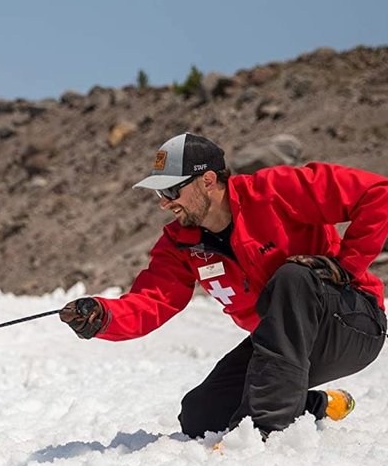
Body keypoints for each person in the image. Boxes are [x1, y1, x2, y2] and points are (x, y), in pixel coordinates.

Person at [60, 132, 388, 438]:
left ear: (208, 181)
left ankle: (266, 431)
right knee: (200, 415)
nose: (164, 203)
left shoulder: (273, 190)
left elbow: (378, 193)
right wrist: (103, 317)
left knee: (293, 276)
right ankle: (317, 405)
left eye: (172, 191)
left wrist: (345, 268)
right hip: (283, 344)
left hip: (351, 324)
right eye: (160, 193)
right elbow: (152, 300)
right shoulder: (181, 243)